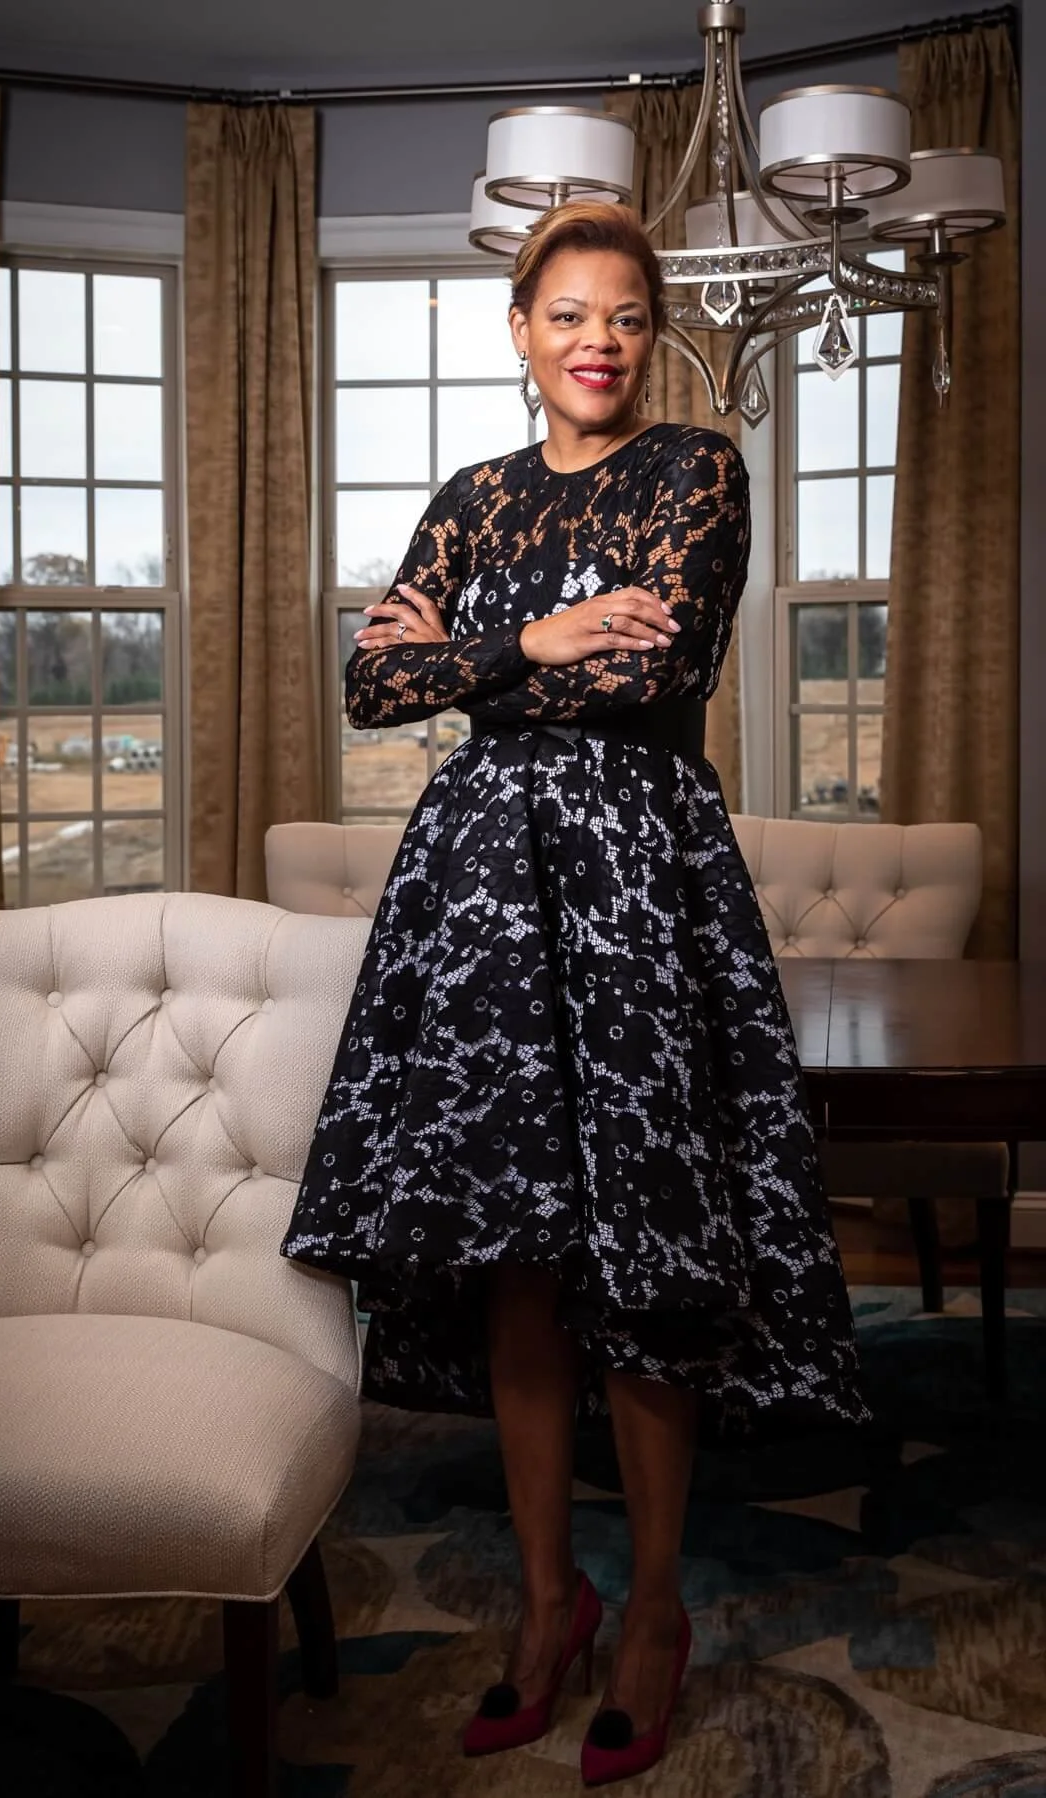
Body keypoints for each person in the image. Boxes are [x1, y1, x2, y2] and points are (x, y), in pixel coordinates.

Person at [282, 200, 869, 1787]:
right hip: (479, 896)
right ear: (521, 333)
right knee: (516, 1262)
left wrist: (472, 647)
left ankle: (656, 1608)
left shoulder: (699, 470)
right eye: (567, 314)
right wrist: (537, 629)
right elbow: (367, 684)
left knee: (650, 1256)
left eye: (623, 314)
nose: (597, 338)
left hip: (638, 885)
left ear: (650, 331)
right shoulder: (472, 495)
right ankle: (550, 1604)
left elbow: (653, 672)